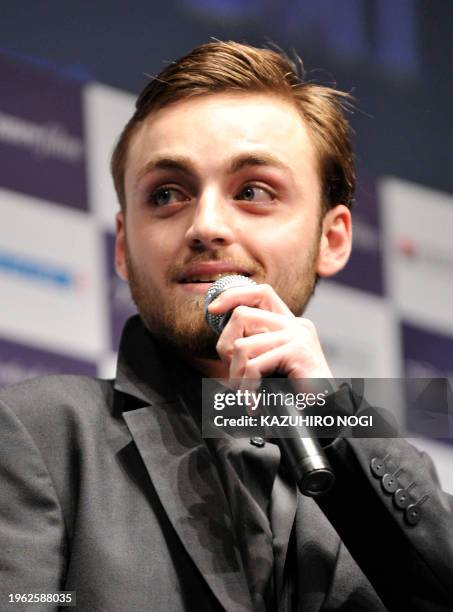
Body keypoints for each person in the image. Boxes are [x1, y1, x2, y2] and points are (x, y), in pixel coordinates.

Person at [0, 41, 452, 612]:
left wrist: (335, 416)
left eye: (253, 191)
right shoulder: (38, 432)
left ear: (332, 239)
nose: (206, 225)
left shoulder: (380, 473)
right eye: (167, 194)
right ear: (122, 245)